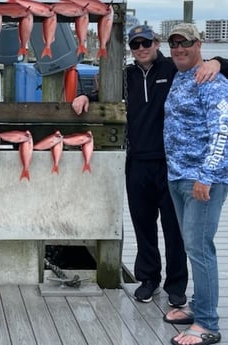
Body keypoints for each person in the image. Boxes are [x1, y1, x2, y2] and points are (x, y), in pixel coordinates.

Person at [72, 25, 228, 307]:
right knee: (143, 226)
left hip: (172, 165)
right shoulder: (126, 75)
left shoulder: (174, 68)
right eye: (135, 45)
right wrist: (86, 97)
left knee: (175, 230)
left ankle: (177, 286)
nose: (141, 48)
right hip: (137, 163)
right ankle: (148, 279)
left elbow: (214, 72)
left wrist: (218, 62)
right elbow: (105, 95)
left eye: (147, 43)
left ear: (157, 44)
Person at [163, 22, 228, 345]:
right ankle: (197, 307)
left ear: (199, 44)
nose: (179, 49)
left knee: (200, 249)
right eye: (174, 44)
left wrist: (207, 176)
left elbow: (222, 133)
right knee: (192, 246)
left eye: (185, 43)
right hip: (177, 176)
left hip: (201, 181)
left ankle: (207, 324)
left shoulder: (212, 80)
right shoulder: (180, 76)